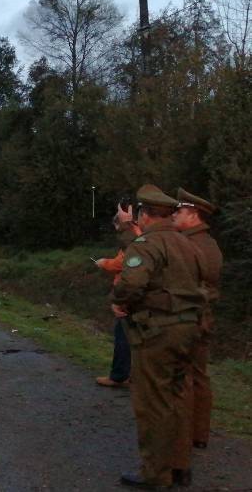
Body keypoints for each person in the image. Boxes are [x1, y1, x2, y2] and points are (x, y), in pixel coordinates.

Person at [111, 184, 206, 489]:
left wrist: (119, 299)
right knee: (178, 397)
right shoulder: (187, 243)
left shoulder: (148, 244)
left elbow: (131, 283)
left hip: (158, 333)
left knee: (152, 403)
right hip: (188, 329)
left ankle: (156, 474)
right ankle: (180, 467)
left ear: (145, 214)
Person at [173, 188, 222, 455]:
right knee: (200, 375)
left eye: (179, 211)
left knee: (186, 377)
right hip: (202, 317)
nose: (174, 216)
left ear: (193, 215)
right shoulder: (208, 242)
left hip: (189, 318)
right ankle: (199, 434)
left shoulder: (190, 244)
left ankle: (184, 436)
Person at [95, 208, 142, 388]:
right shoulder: (145, 236)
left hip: (127, 294)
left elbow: (122, 262)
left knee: (123, 336)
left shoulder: (132, 239)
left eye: (117, 226)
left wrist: (103, 263)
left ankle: (118, 375)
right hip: (138, 294)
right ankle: (133, 375)